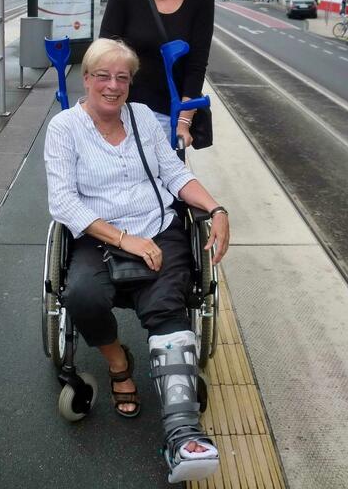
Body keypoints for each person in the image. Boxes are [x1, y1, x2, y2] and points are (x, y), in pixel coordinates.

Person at [44, 38, 230, 484]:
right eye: (102, 76)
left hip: (157, 226)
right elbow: (64, 202)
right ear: (85, 78)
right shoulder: (65, 127)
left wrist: (216, 210)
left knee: (168, 303)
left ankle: (183, 434)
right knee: (82, 296)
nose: (112, 85)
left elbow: (175, 173)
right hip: (99, 233)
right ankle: (117, 363)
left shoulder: (143, 117)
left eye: (122, 77)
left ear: (130, 83)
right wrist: (124, 238)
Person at [100, 0, 214, 147]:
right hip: (122, 111)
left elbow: (196, 65)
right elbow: (103, 55)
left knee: (161, 184)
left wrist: (183, 123)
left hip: (168, 117)